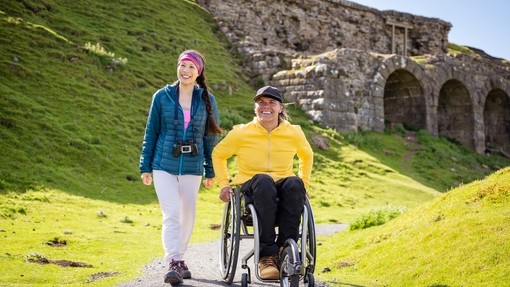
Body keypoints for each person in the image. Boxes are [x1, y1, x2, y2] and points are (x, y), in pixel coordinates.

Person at [212, 85, 314, 280]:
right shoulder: (241, 132)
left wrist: (305, 185)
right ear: (255, 108)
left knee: (294, 183)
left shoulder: (294, 132)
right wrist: (224, 184)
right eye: (261, 103)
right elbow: (218, 154)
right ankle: (266, 256)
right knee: (264, 181)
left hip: (283, 187)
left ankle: (286, 250)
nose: (265, 107)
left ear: (280, 108)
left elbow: (307, 156)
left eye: (271, 103)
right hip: (254, 187)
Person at [139, 50, 222, 285]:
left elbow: (209, 137)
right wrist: (145, 166)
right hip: (163, 164)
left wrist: (210, 170)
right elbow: (151, 132)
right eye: (182, 65)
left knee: (188, 215)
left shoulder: (207, 99)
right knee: (171, 213)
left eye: (191, 67)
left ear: (198, 73)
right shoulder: (161, 96)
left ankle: (180, 257)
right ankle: (173, 260)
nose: (185, 71)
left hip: (192, 167)